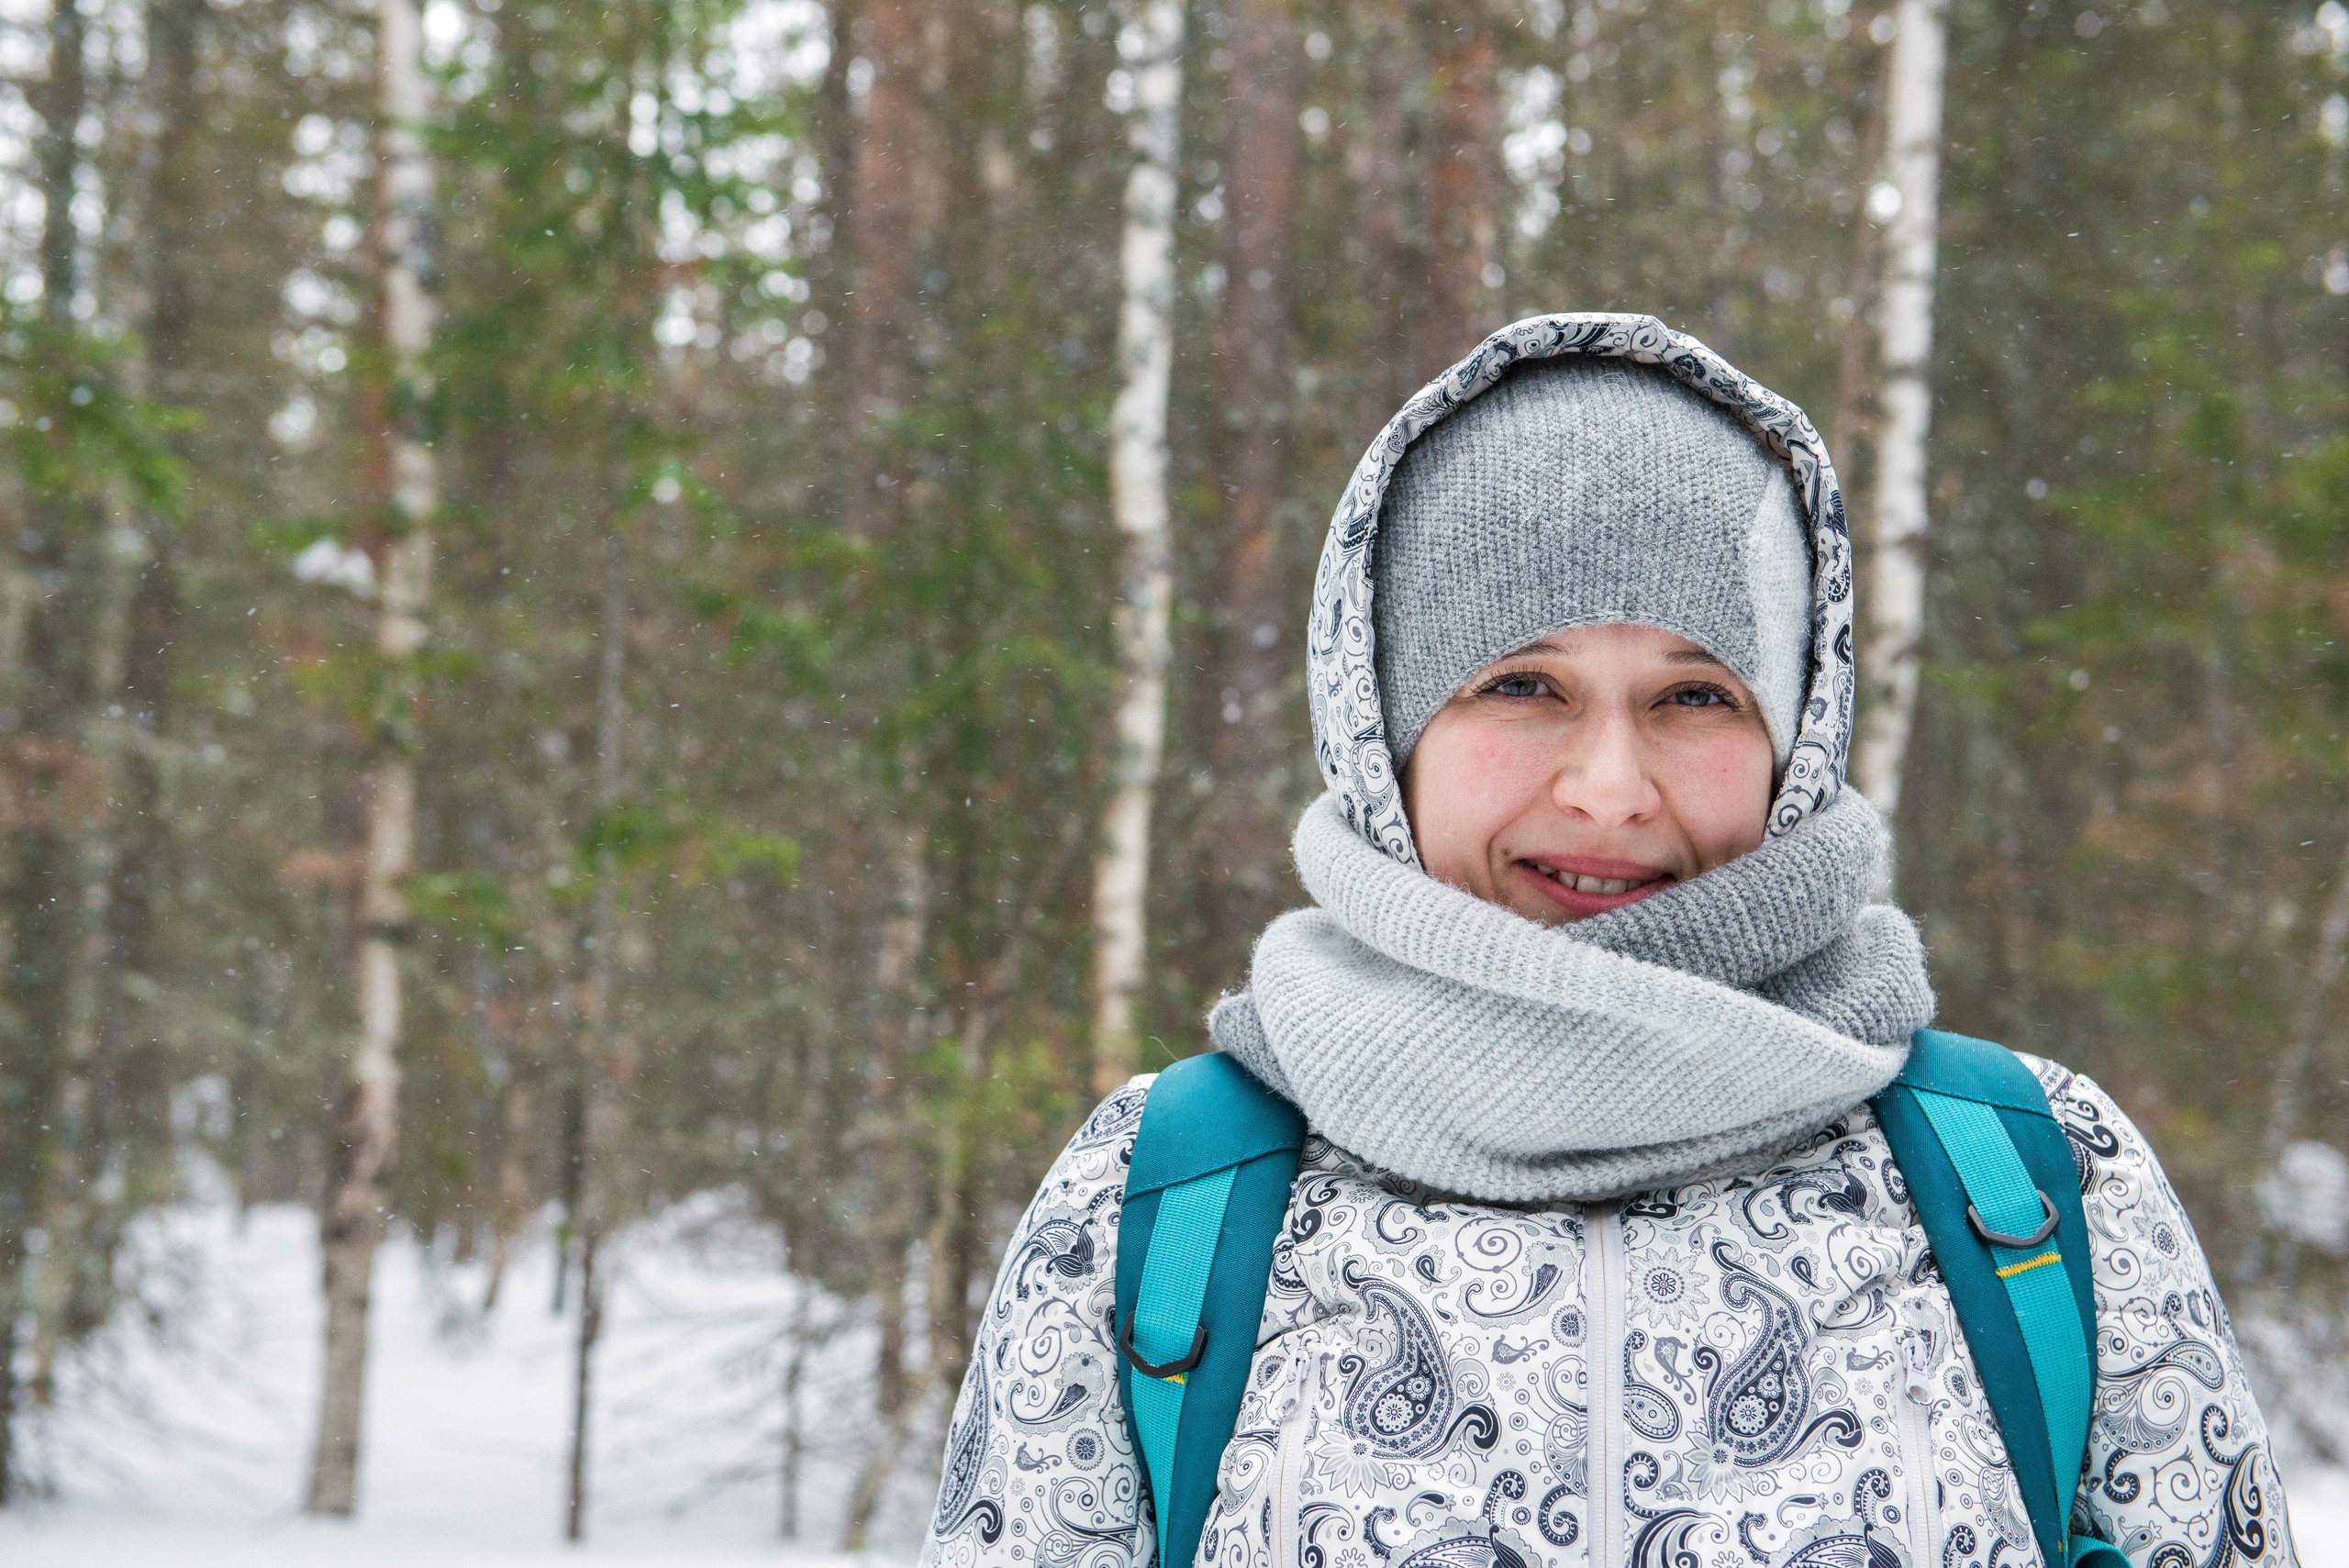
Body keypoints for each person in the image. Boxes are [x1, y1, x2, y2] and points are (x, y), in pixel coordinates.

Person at [919, 316, 2297, 1568]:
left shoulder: (2039, 1187)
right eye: (1522, 683)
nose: (1612, 787)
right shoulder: (1160, 1198)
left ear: (1796, 738)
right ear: (1382, 728)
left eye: (1697, 693)